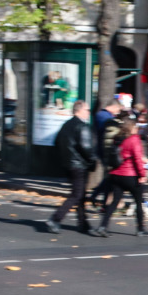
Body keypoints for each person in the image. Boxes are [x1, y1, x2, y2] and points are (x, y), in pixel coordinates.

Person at [92, 118, 148, 237]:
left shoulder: (117, 139)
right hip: (131, 175)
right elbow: (137, 159)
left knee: (114, 202)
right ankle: (140, 229)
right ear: (133, 128)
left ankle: (103, 226)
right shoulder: (134, 139)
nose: (138, 129)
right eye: (136, 127)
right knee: (139, 202)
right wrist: (142, 175)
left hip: (116, 174)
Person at [46, 100, 98, 233]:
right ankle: (55, 219)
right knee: (77, 194)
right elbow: (86, 147)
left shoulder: (66, 125)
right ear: (79, 110)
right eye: (87, 110)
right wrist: (92, 160)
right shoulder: (82, 126)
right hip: (79, 165)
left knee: (80, 194)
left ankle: (83, 224)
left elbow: (56, 142)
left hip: (69, 164)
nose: (88, 113)